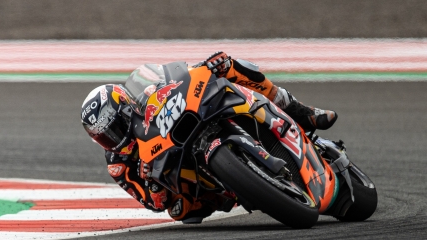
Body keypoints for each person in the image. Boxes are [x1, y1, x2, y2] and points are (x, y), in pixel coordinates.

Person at [81, 52, 338, 223]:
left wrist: (205, 67)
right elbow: (152, 202)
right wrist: (153, 183)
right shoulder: (118, 163)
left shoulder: (144, 94)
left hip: (190, 123)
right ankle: (237, 184)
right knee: (180, 212)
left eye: (114, 130)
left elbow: (173, 78)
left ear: (127, 110)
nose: (113, 140)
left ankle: (298, 110)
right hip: (185, 182)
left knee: (226, 65)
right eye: (104, 137)